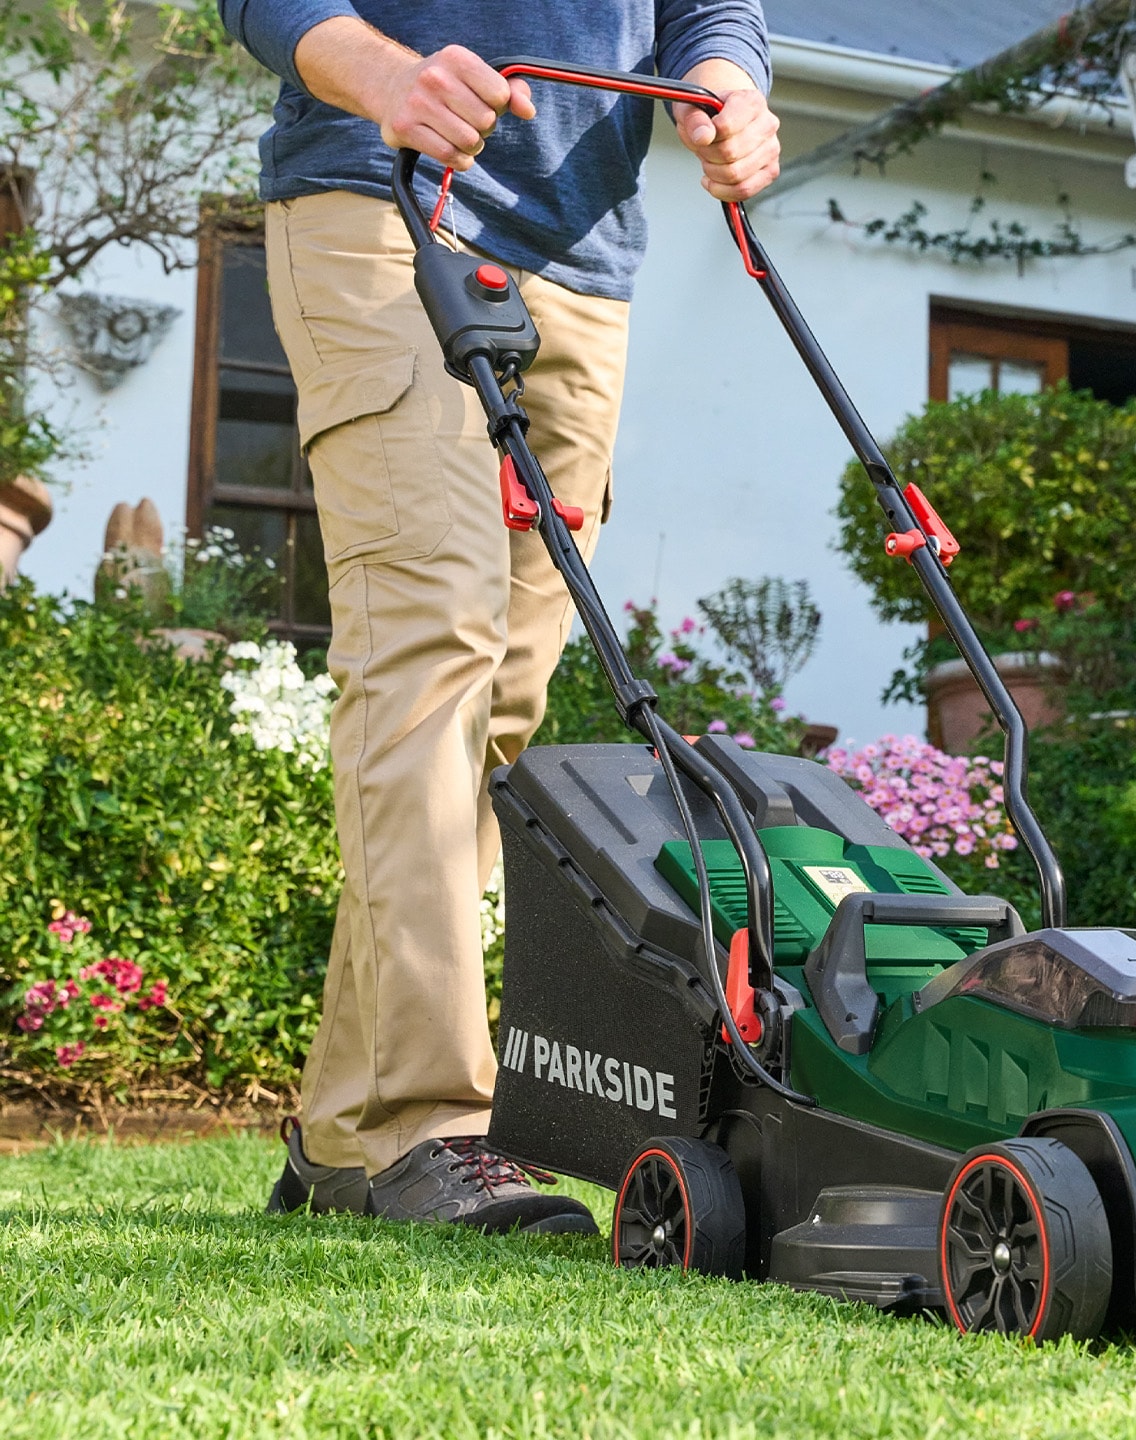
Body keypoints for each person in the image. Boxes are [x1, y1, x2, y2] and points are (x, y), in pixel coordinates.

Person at [218, 1, 780, 1233]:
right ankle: (432, 1121)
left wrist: (731, 86)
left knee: (505, 702)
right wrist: (387, 76)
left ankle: (336, 1136)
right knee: (433, 638)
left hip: (583, 254)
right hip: (384, 194)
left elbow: (710, 12)